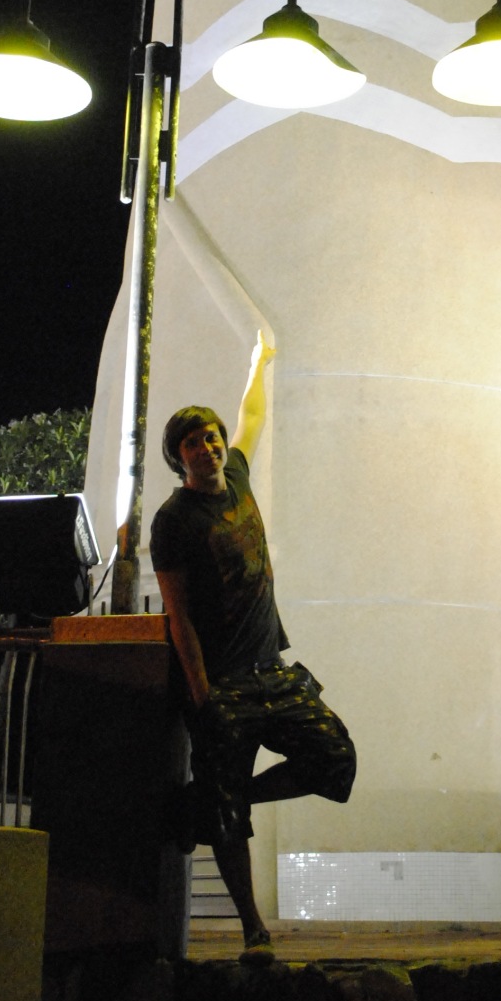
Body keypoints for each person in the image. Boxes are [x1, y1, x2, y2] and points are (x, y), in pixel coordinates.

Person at [151, 333, 355, 963]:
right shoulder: (174, 521)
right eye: (194, 443)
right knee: (226, 820)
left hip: (273, 669)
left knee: (334, 758)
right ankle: (253, 930)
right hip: (223, 682)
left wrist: (258, 363)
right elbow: (178, 616)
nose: (209, 447)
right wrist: (202, 695)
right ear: (179, 458)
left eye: (212, 437)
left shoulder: (237, 474)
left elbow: (254, 416)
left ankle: (217, 797)